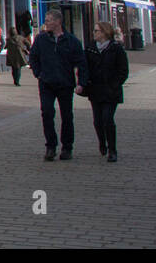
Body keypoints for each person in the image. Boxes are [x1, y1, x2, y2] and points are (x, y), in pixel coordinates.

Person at [27, 9, 89, 160]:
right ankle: (50, 146)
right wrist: (38, 73)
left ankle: (67, 147)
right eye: (46, 20)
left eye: (49, 20)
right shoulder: (41, 40)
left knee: (67, 116)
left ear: (58, 22)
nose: (46, 23)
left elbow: (81, 63)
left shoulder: (71, 41)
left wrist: (81, 82)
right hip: (46, 83)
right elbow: (33, 57)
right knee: (47, 113)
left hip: (65, 83)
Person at [84, 21, 129, 162]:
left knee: (107, 119)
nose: (94, 33)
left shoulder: (116, 49)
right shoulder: (90, 48)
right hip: (95, 90)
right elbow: (85, 68)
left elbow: (123, 71)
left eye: (96, 31)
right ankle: (102, 143)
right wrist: (85, 82)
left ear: (104, 33)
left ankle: (112, 150)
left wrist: (114, 84)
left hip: (111, 91)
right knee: (97, 121)